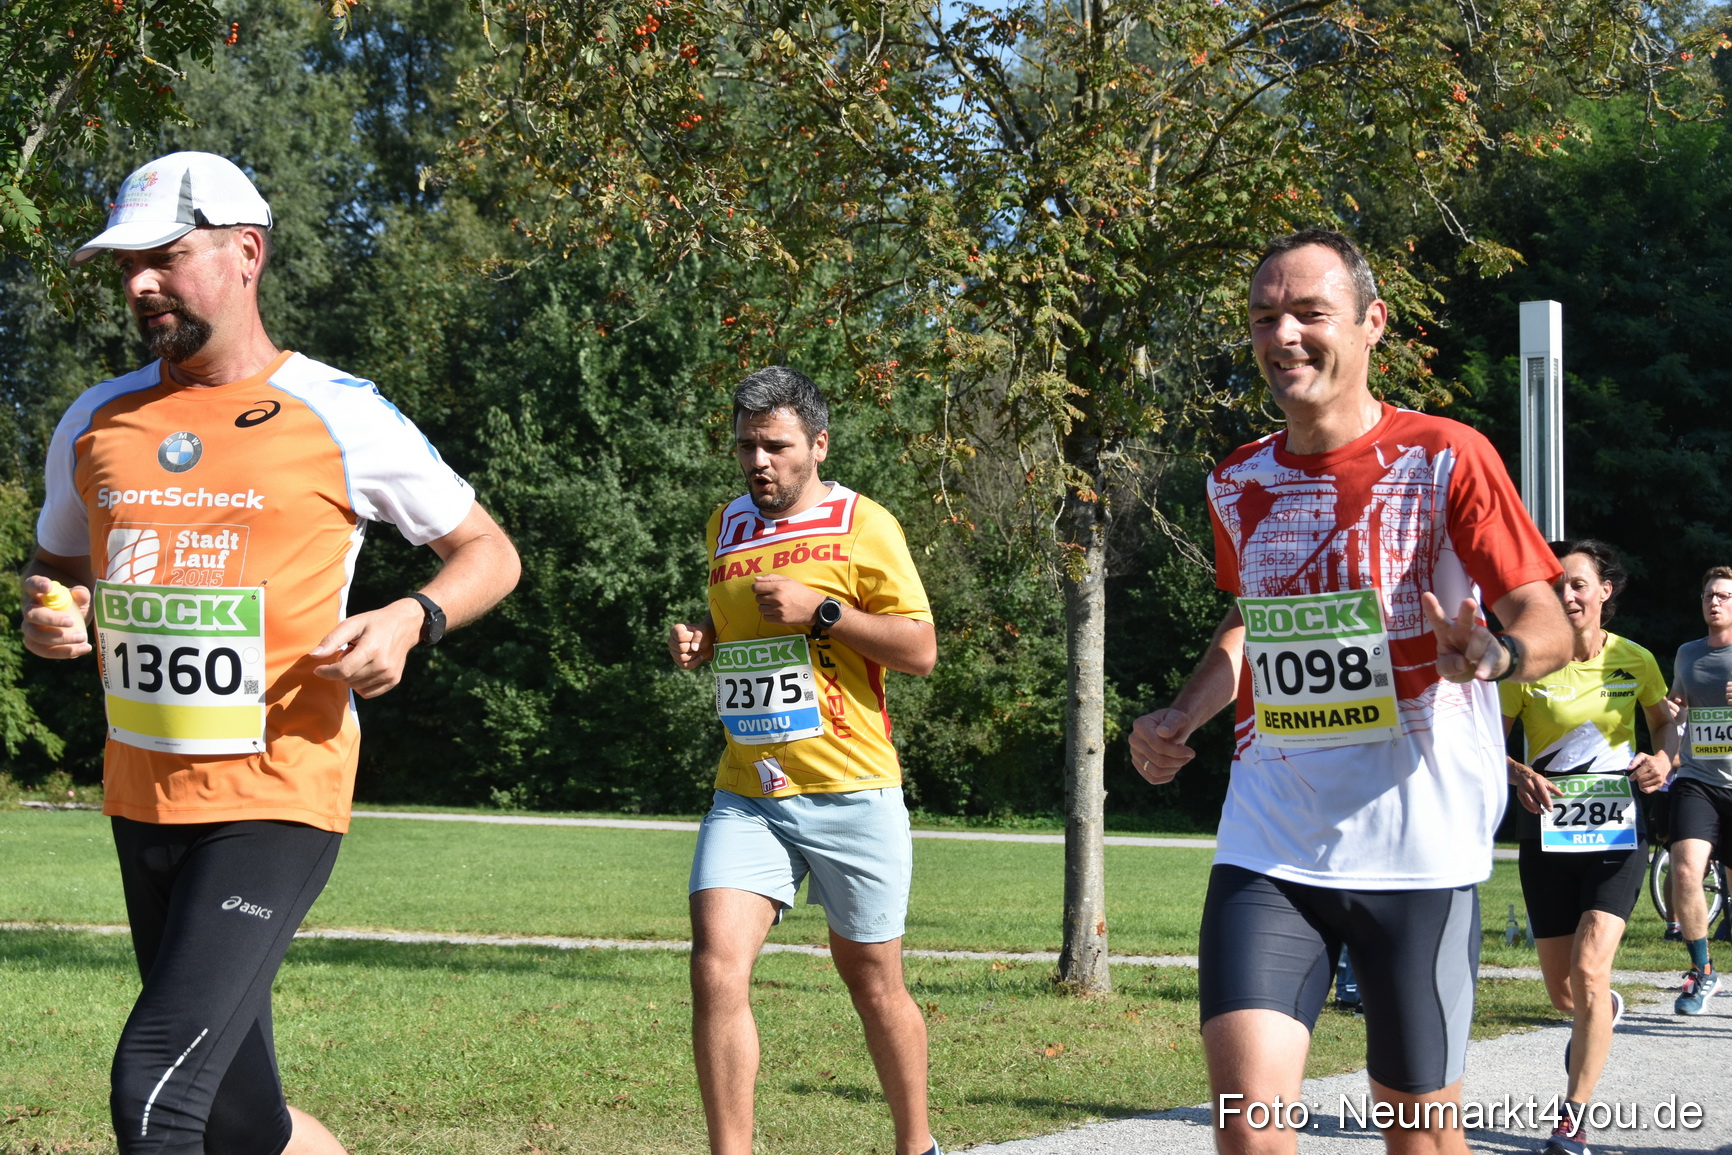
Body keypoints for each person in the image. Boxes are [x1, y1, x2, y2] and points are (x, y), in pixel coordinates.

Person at [20, 151, 520, 1155]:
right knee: (246, 1120)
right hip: (144, 794)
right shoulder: (95, 419)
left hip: (280, 790)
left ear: (247, 253)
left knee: (156, 1086)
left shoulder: (343, 411)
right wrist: (53, 614)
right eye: (126, 266)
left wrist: (411, 619)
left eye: (166, 257)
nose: (139, 285)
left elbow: (488, 552)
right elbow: (53, 570)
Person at [1128, 228, 1571, 1155]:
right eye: (1264, 318)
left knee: (1420, 1139)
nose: (1282, 334)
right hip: (1272, 838)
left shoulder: (1447, 456)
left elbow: (1545, 614)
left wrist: (1492, 656)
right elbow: (1250, 624)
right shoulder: (1235, 481)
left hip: (1420, 849)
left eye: (1308, 313)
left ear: (1371, 324)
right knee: (1249, 1128)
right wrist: (1180, 714)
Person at [666, 366, 939, 1155]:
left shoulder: (865, 523)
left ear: (817, 444)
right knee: (716, 964)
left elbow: (920, 649)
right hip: (748, 788)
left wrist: (825, 611)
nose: (759, 462)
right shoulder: (727, 522)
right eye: (747, 445)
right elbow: (744, 635)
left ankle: (916, 1144)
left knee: (873, 982)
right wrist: (703, 643)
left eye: (777, 446)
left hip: (852, 788)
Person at [1501, 540, 1672, 1155]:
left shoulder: (1635, 659)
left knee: (1590, 970)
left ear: (1605, 591)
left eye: (1577, 584)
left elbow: (1665, 723)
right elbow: (1490, 744)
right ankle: (1601, 1008)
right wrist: (1518, 773)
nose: (1566, 595)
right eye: (1555, 586)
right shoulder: (1526, 665)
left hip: (1616, 834)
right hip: (1545, 833)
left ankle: (1572, 1118)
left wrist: (1663, 758)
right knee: (1564, 992)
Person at [1661, 564, 1732, 1014]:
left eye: (1724, 595)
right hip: (1698, 780)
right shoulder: (1687, 653)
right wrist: (1668, 711)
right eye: (1709, 594)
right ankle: (1702, 971)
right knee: (1686, 870)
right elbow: (1679, 706)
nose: (1715, 601)